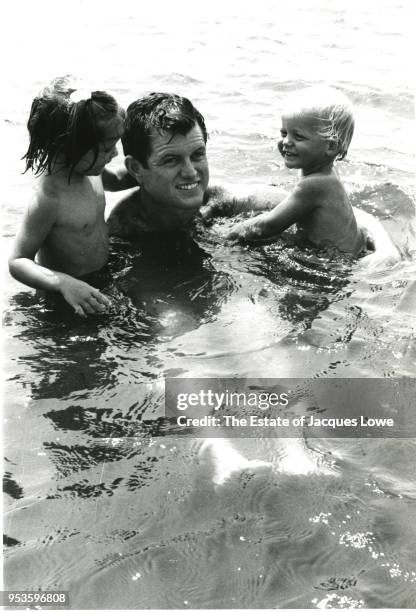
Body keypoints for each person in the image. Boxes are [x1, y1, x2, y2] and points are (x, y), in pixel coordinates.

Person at [9, 76, 135, 316]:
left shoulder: (89, 171)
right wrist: (63, 283)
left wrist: (150, 172)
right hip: (66, 295)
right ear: (70, 146)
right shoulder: (49, 198)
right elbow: (18, 261)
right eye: (107, 148)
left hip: (99, 278)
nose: (115, 153)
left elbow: (119, 180)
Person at [107, 92, 288, 238]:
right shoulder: (121, 230)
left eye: (197, 155)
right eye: (171, 160)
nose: (190, 172)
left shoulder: (222, 203)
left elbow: (291, 201)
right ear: (136, 168)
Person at [226, 87, 369, 255]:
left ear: (330, 146)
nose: (286, 142)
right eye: (284, 133)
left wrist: (232, 233)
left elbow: (268, 225)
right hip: (348, 251)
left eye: (298, 137)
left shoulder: (315, 184)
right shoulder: (326, 174)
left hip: (335, 263)